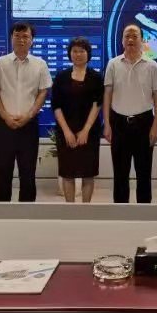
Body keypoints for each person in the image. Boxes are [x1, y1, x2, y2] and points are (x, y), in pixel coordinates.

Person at [0, 22, 51, 202]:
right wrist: (5, 116)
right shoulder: (0, 63)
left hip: (29, 125)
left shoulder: (40, 64)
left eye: (25, 36)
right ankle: (1, 212)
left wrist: (28, 115)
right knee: (3, 172)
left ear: (32, 40)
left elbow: (43, 92)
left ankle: (27, 212)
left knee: (28, 172)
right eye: (17, 36)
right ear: (11, 38)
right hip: (4, 125)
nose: (21, 40)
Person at [103, 24, 157, 203]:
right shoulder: (113, 64)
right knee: (120, 173)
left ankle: (144, 213)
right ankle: (121, 213)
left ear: (142, 40)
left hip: (144, 123)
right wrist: (107, 124)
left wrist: (155, 126)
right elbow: (107, 95)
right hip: (119, 123)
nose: (130, 39)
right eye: (127, 36)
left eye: (134, 36)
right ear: (122, 40)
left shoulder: (152, 65)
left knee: (144, 172)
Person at [52, 37, 104, 203]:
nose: (78, 54)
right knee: (67, 173)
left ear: (88, 53)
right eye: (75, 51)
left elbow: (97, 104)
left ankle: (85, 211)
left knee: (88, 173)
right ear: (70, 54)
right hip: (65, 131)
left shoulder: (96, 77)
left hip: (89, 132)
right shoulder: (61, 77)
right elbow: (56, 106)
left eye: (82, 51)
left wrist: (86, 130)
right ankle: (70, 211)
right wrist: (67, 131)